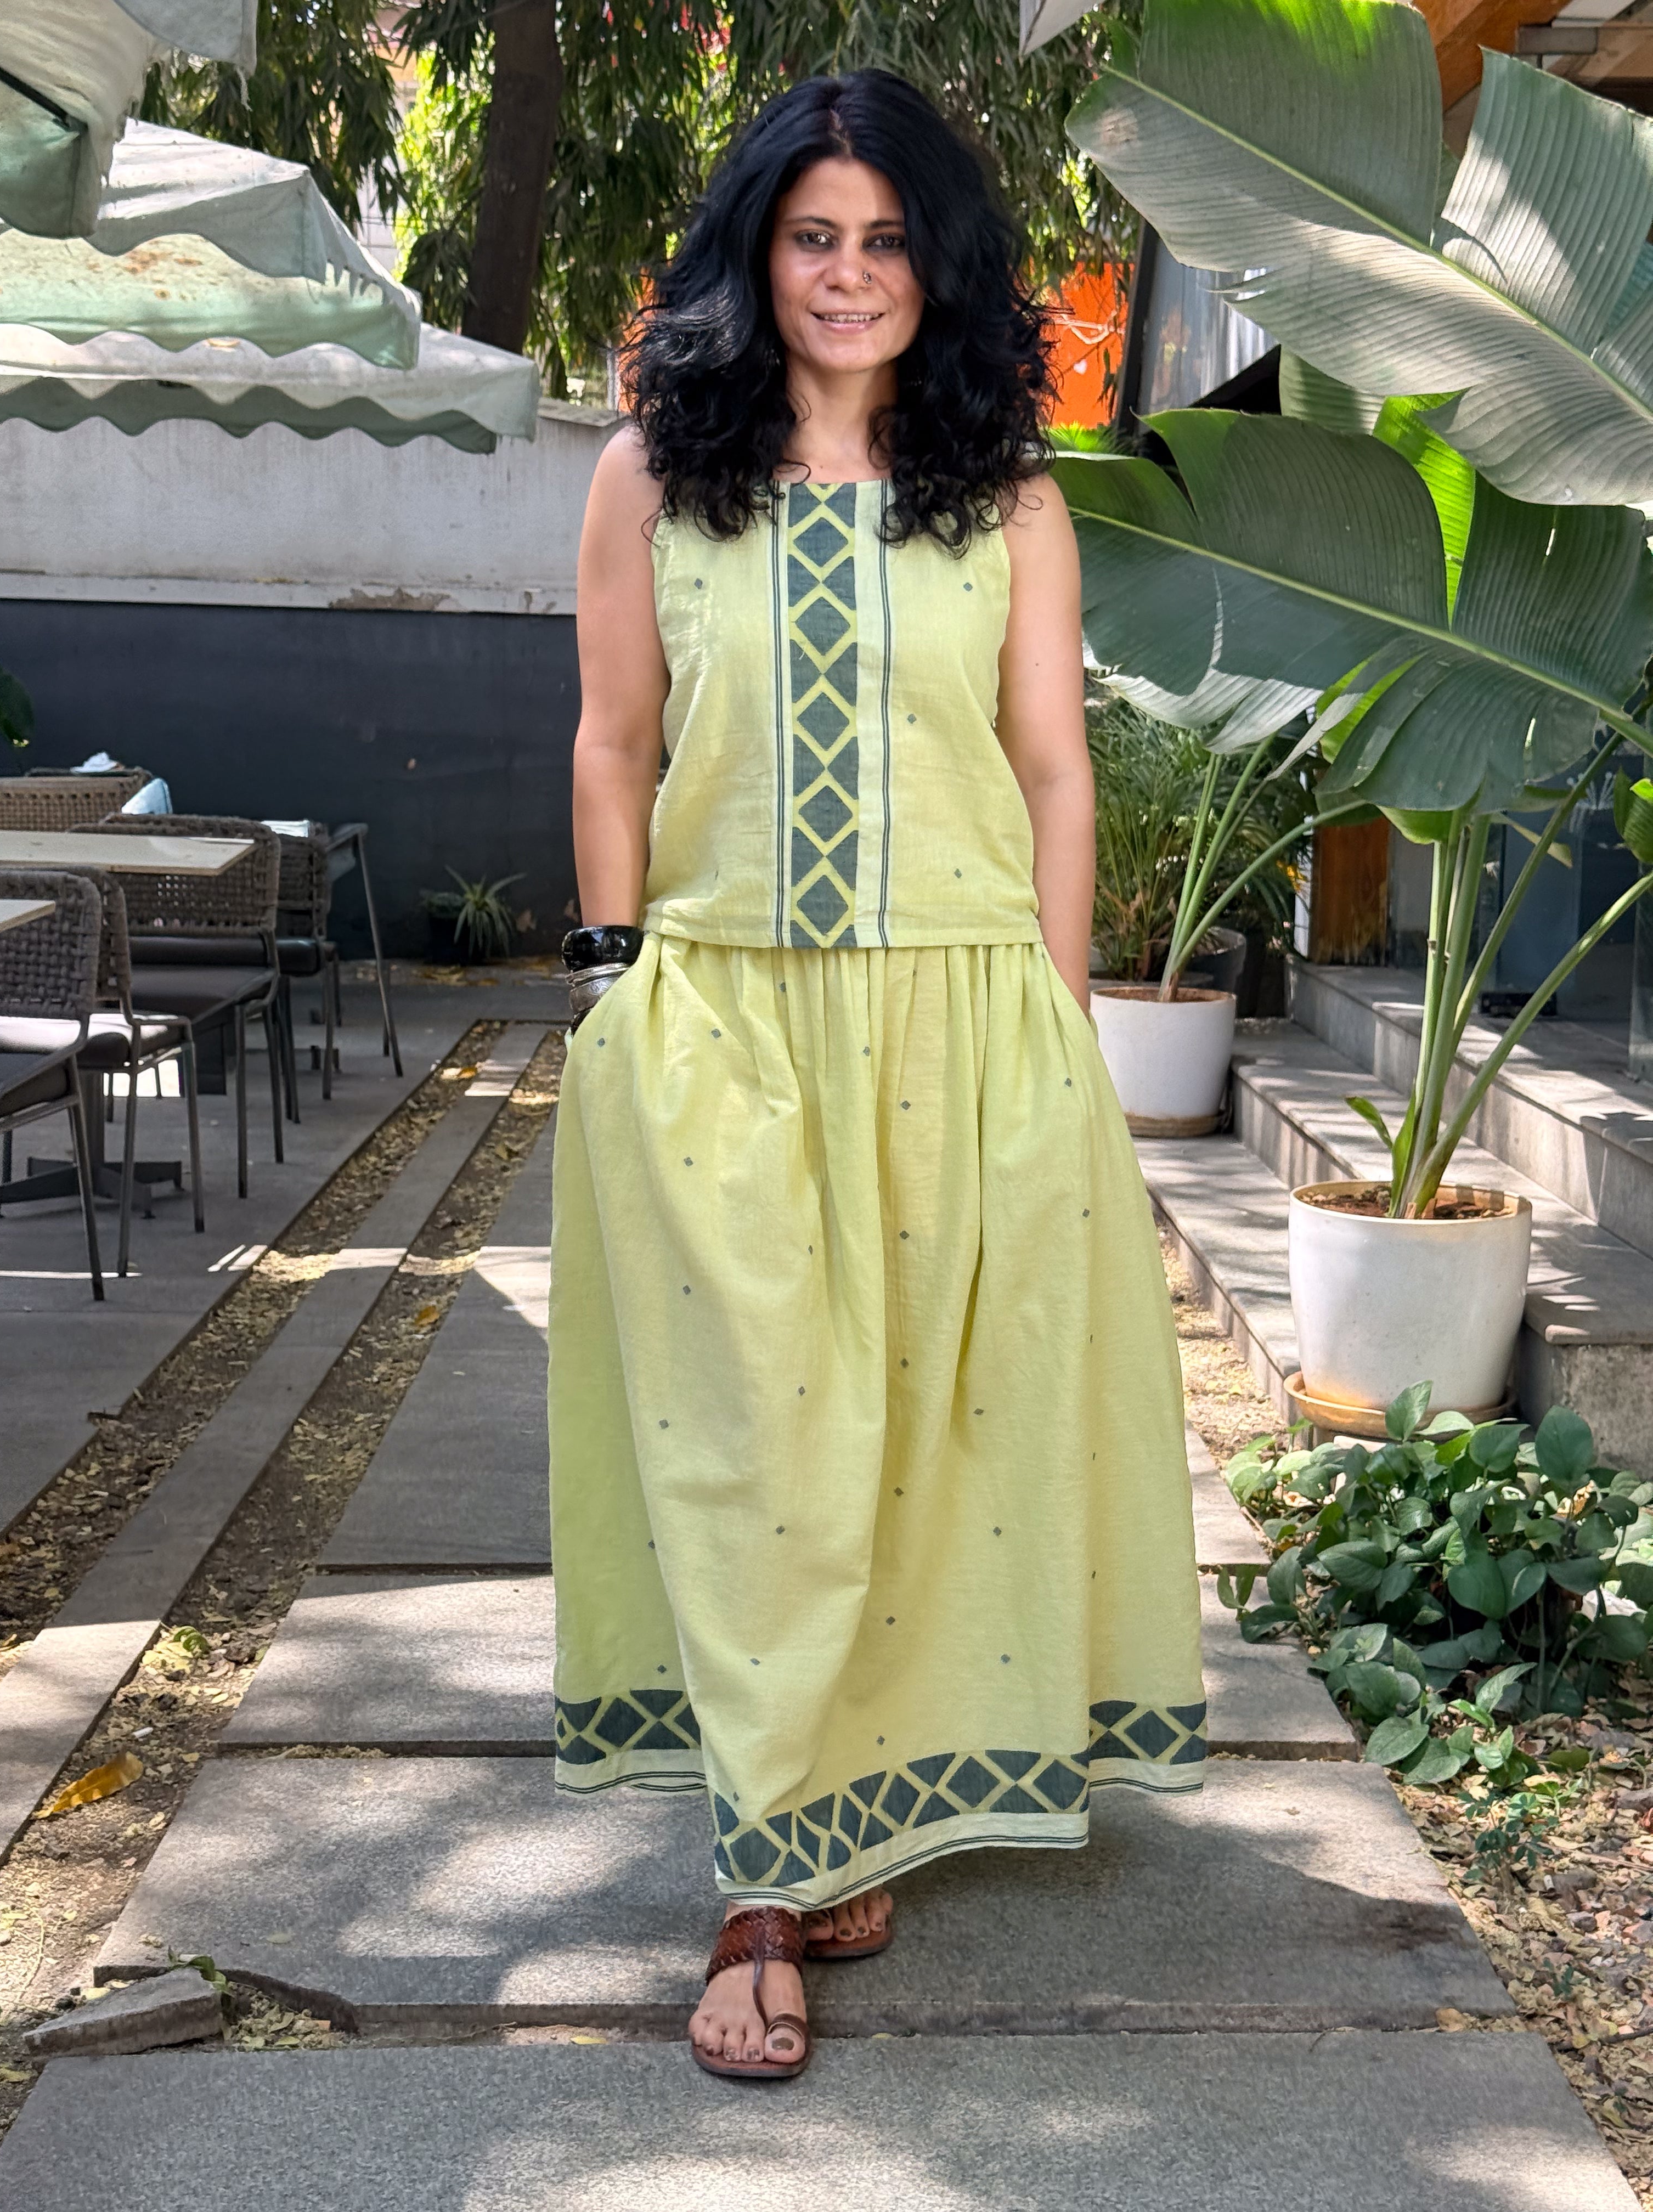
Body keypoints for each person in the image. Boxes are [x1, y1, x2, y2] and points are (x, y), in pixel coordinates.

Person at [548, 68, 1204, 2084]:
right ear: (758, 255)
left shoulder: (1006, 495)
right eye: (814, 236)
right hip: (723, 1023)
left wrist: (1062, 1031)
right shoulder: (655, 475)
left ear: (944, 266)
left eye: (889, 239)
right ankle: (761, 1893)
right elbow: (613, 746)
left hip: (964, 1021)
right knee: (759, 1444)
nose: (849, 274)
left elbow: (1053, 772)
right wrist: (610, 987)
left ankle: (837, 1804)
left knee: (920, 1440)